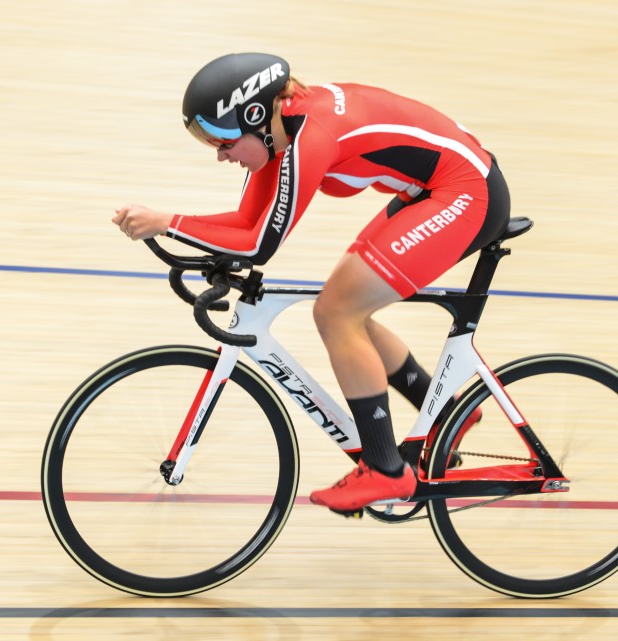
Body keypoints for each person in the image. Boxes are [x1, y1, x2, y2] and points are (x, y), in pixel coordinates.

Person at [112, 53, 510, 513]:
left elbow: (258, 243)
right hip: (432, 189)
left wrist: (166, 222)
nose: (221, 155)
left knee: (339, 312)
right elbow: (246, 221)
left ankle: (385, 470)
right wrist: (196, 240)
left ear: (256, 116)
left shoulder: (311, 137)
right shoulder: (280, 134)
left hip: (465, 192)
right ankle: (448, 413)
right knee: (339, 307)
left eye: (222, 140)